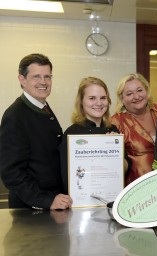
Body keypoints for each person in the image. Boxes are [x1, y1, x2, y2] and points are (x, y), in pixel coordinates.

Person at [0, 53, 72, 210]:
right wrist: (46, 200)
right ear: (22, 79)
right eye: (36, 77)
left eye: (48, 77)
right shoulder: (15, 116)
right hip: (31, 211)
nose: (43, 82)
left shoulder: (43, 107)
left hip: (53, 204)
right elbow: (11, 173)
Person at [59, 77, 129, 193]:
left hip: (110, 200)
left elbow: (124, 170)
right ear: (81, 101)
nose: (99, 103)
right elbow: (67, 178)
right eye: (92, 98)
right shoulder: (72, 134)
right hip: (81, 202)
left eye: (103, 98)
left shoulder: (113, 130)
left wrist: (115, 152)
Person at [111, 73, 157, 186]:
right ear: (122, 98)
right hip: (137, 185)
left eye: (139, 90)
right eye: (129, 94)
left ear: (146, 91)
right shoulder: (117, 121)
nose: (136, 96)